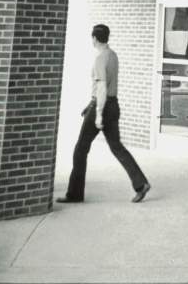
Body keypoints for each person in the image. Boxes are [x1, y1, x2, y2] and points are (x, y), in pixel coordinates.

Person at [57, 24, 151, 204]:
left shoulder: (100, 59)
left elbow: (101, 87)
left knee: (80, 150)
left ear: (94, 38)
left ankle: (75, 194)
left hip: (102, 106)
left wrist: (98, 113)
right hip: (113, 105)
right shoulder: (113, 55)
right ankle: (141, 183)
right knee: (117, 147)